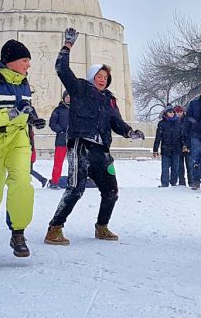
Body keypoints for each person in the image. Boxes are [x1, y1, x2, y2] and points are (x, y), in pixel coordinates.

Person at [46, 27, 145, 245]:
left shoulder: (109, 99)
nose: (102, 80)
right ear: (92, 77)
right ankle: (54, 228)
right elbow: (61, 70)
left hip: (102, 151)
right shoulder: (80, 88)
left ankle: (102, 227)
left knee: (111, 191)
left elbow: (116, 122)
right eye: (99, 76)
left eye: (105, 77)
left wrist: (129, 131)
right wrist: (67, 46)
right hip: (81, 146)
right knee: (76, 189)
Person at [0, 40, 45, 256]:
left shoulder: (24, 83)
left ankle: (18, 233)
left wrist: (33, 118)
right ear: (11, 61)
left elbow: (26, 108)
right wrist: (13, 113)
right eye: (25, 60)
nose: (28, 65)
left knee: (22, 183)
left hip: (19, 140)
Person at [153, 106, 185, 187]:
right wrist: (155, 149)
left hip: (176, 148)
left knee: (175, 167)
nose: (172, 113)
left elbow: (182, 135)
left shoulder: (178, 122)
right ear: (166, 113)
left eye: (173, 112)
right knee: (165, 167)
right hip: (166, 148)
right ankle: (164, 183)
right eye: (170, 112)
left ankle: (173, 182)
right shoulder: (162, 123)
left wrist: (184, 145)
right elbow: (158, 137)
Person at [49, 92, 71, 188]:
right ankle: (54, 182)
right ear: (63, 98)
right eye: (67, 97)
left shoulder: (77, 109)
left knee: (75, 163)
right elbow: (52, 123)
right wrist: (60, 131)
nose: (68, 98)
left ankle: (74, 182)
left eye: (70, 97)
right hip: (61, 141)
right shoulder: (58, 110)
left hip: (74, 140)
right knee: (58, 163)